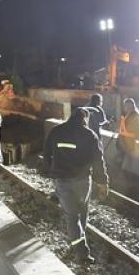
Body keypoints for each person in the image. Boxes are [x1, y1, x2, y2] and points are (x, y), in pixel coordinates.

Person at [43, 108, 110, 264]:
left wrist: (50, 170)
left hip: (62, 180)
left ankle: (78, 245)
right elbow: (98, 161)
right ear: (84, 119)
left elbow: (46, 153)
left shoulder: (56, 131)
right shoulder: (89, 135)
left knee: (72, 217)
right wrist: (103, 182)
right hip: (82, 182)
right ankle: (81, 251)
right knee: (81, 212)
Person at [116, 97, 139, 165]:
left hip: (129, 141)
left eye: (126, 105)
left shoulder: (135, 115)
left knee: (124, 159)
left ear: (131, 105)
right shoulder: (127, 113)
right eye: (125, 105)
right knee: (121, 157)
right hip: (124, 139)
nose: (125, 106)